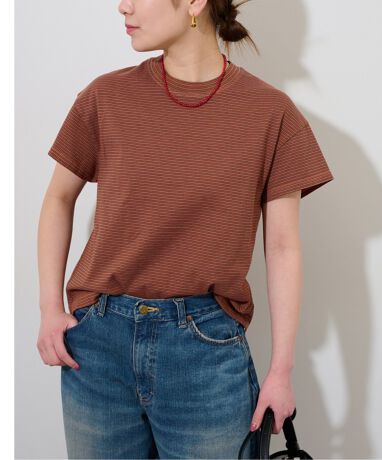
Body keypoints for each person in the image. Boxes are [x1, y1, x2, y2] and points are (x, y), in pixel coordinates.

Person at [37, 0, 334, 458]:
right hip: (97, 349)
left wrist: (281, 369)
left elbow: (282, 247)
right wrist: (49, 309)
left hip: (206, 354)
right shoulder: (105, 97)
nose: (123, 6)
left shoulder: (271, 114)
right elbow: (59, 198)